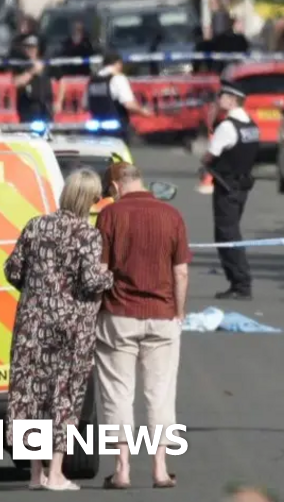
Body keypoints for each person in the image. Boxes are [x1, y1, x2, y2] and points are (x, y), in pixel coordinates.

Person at [3, 168, 114, 491]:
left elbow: (12, 270)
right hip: (71, 328)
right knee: (63, 397)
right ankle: (56, 473)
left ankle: (35, 474)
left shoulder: (36, 226)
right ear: (91, 199)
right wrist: (112, 277)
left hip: (31, 327)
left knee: (30, 396)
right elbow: (92, 281)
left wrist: (36, 291)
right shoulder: (88, 236)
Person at [94, 162, 190, 489]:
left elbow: (101, 270)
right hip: (163, 315)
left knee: (118, 394)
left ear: (117, 186)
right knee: (160, 394)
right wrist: (179, 312)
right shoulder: (171, 216)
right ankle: (160, 469)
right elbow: (181, 272)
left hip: (118, 314)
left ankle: (122, 469)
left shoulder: (110, 216)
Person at [201, 81, 260, 300]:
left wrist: (204, 162)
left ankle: (241, 283)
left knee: (227, 234)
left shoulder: (228, 126)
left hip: (227, 186)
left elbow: (210, 154)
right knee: (231, 231)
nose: (218, 99)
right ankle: (239, 282)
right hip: (242, 185)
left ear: (233, 99)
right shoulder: (251, 125)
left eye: (222, 96)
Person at [85, 51, 153, 139]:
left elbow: (85, 105)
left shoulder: (92, 80)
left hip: (95, 127)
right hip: (115, 128)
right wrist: (143, 112)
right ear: (118, 63)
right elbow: (129, 104)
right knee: (117, 153)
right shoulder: (118, 78)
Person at [12, 35, 55, 124]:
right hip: (27, 108)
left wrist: (58, 102)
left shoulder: (45, 63)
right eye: (27, 47)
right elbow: (16, 82)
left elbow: (61, 79)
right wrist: (32, 72)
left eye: (33, 47)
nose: (30, 50)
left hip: (45, 106)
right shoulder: (20, 65)